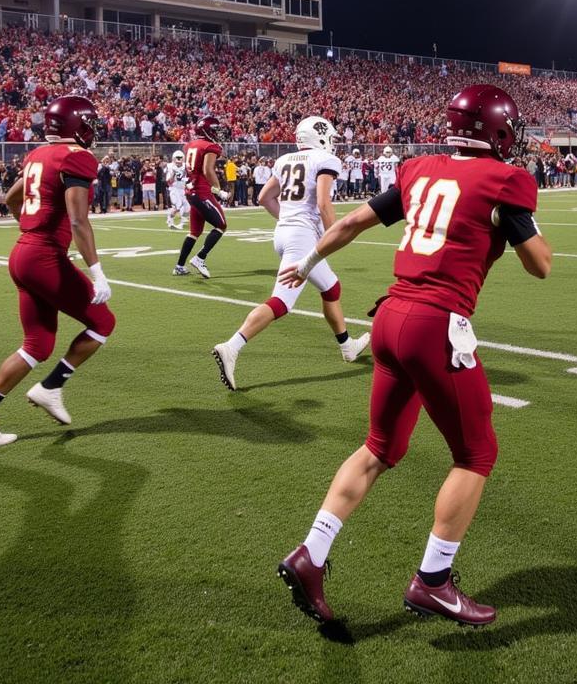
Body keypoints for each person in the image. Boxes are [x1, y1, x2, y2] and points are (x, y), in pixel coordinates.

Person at [276, 85, 551, 627]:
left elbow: (352, 222)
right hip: (436, 324)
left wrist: (307, 261)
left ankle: (312, 553)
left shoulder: (418, 167)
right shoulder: (507, 179)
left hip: (389, 317)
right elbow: (540, 265)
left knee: (379, 446)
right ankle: (433, 581)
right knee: (476, 454)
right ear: (497, 130)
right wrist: (513, 223)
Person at [0, 96, 115, 447]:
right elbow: (78, 219)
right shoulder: (78, 156)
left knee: (37, 345)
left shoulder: (36, 155)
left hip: (23, 252)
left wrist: (33, 231)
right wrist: (96, 271)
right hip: (41, 256)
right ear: (79, 125)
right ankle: (52, 386)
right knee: (103, 322)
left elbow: (12, 199)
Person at [212, 117, 369, 391]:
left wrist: (288, 222)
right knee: (282, 302)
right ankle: (231, 346)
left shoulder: (285, 159)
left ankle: (347, 346)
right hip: (301, 237)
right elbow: (322, 202)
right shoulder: (324, 159)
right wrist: (334, 234)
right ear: (320, 137)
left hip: (285, 232)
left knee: (331, 288)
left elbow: (264, 198)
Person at [174, 115, 232, 278]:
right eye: (215, 130)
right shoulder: (210, 146)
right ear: (207, 130)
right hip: (201, 191)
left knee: (195, 231)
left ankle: (179, 266)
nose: (218, 133)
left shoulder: (190, 145)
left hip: (191, 192)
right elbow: (207, 170)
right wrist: (219, 190)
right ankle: (200, 257)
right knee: (221, 226)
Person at [165, 150, 189, 230]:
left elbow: (189, 177)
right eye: (177, 159)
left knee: (187, 207)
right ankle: (170, 220)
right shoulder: (170, 167)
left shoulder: (186, 166)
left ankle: (183, 223)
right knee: (178, 207)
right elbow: (168, 181)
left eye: (180, 158)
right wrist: (173, 174)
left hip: (183, 189)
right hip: (174, 189)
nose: (179, 161)